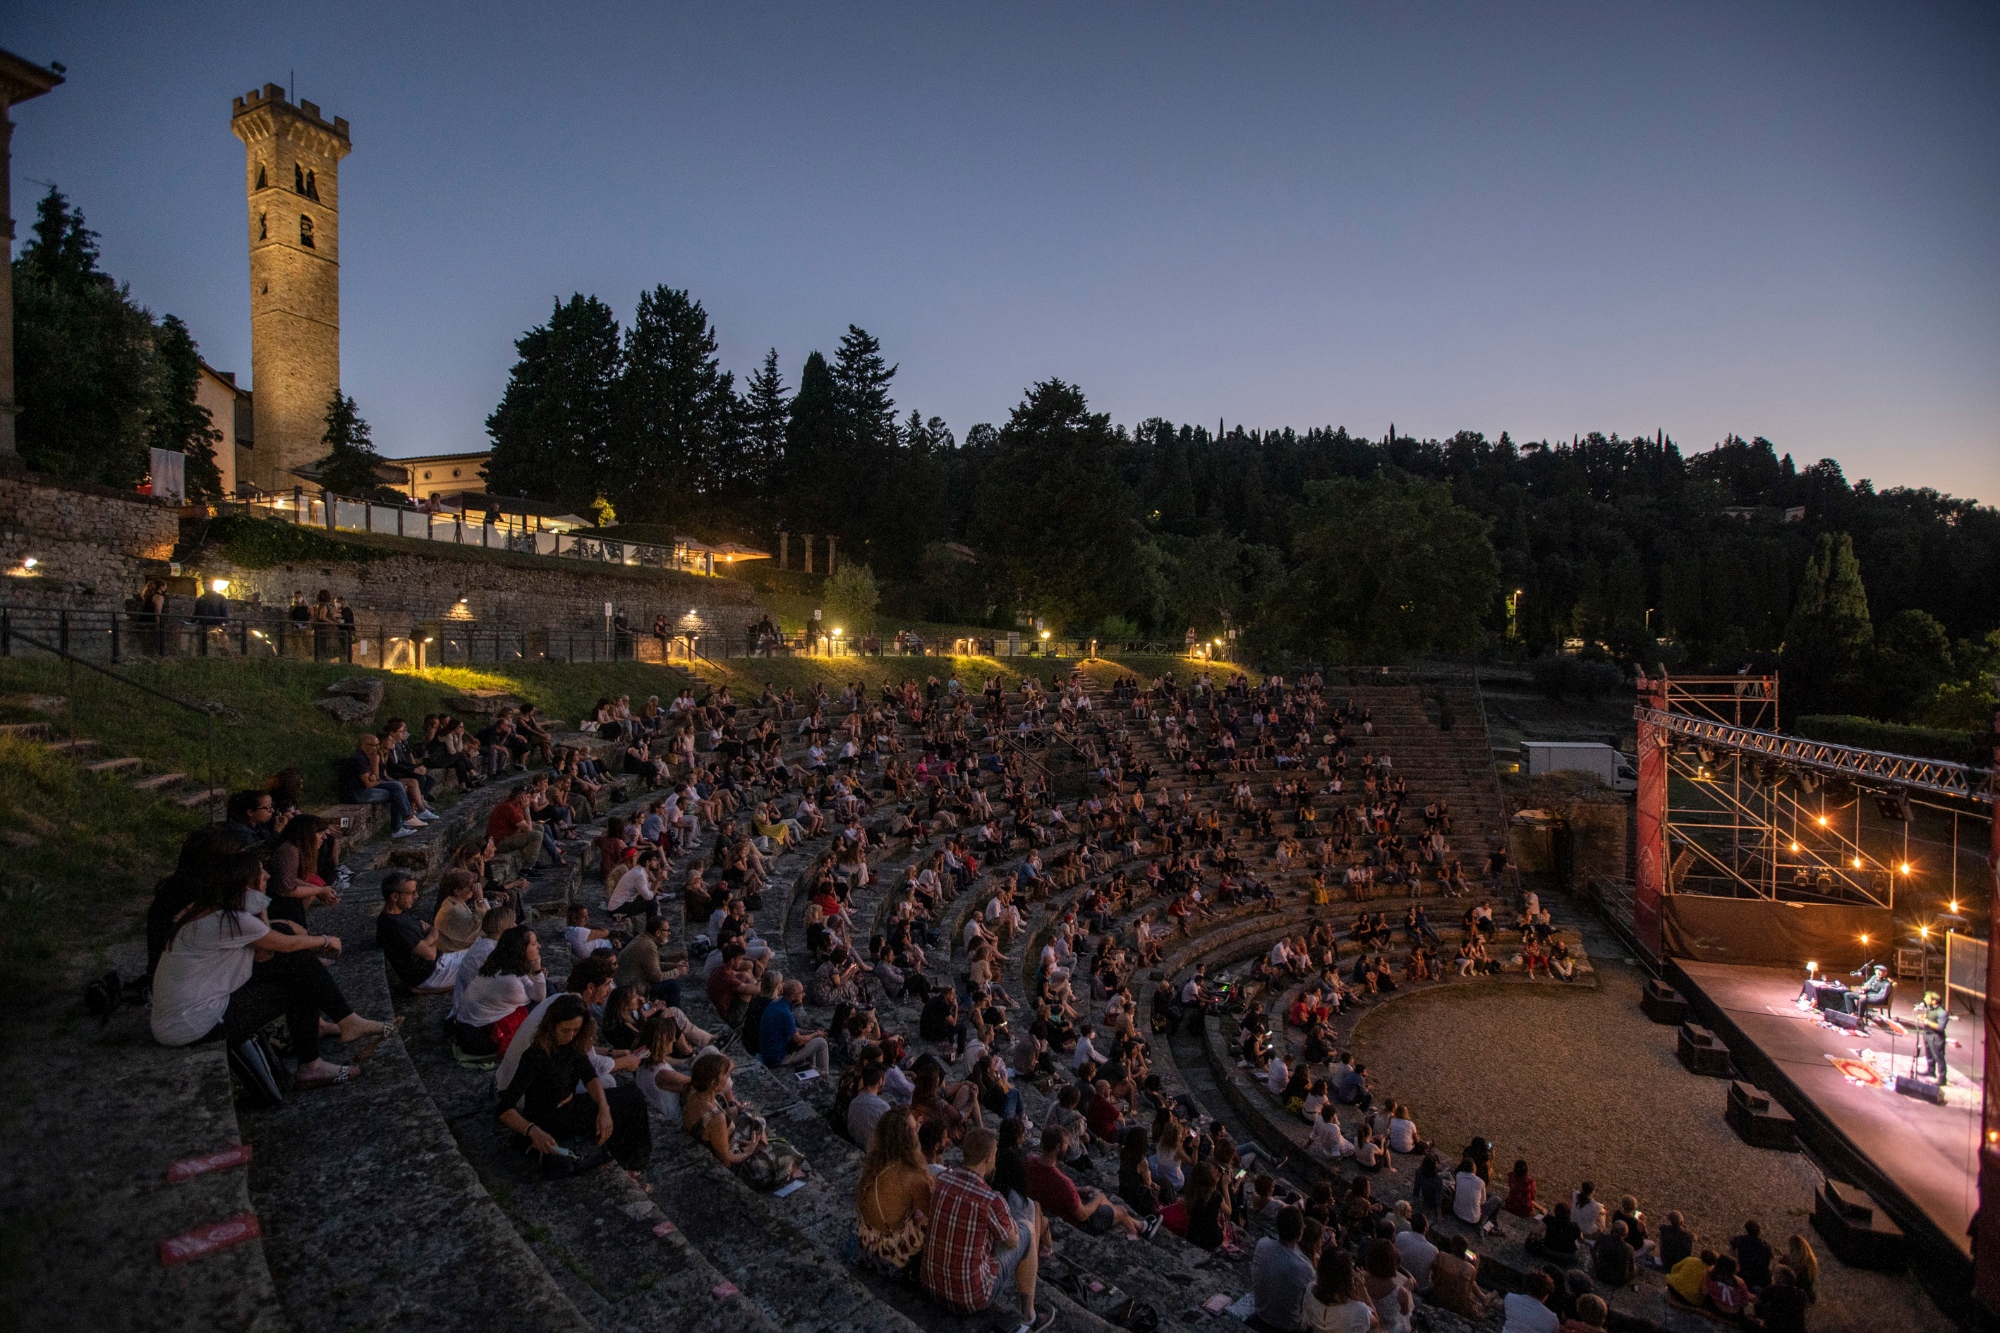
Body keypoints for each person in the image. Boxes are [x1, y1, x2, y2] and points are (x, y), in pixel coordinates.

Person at [149, 851, 386, 1089]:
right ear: (245, 882)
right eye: (261, 873)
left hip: (181, 1016)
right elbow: (286, 945)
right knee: (300, 983)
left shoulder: (208, 909)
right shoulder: (231, 921)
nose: (267, 875)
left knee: (297, 964)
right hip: (193, 1023)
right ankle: (314, 1062)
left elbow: (265, 953)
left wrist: (259, 901)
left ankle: (342, 1025)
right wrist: (325, 940)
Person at [495, 994, 650, 1172]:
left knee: (632, 1097)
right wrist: (532, 1130)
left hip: (571, 1109)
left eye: (576, 1030)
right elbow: (504, 1108)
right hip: (549, 1120)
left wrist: (603, 1108)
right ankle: (633, 1165)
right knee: (630, 1102)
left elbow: (590, 1076)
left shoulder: (572, 1046)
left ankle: (633, 1164)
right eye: (565, 1030)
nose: (570, 1035)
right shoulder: (535, 1056)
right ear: (551, 1026)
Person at [920, 1126, 1053, 1332]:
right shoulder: (991, 1199)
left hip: (930, 1284)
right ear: (989, 1156)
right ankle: (1029, 1316)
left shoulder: (942, 1180)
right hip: (970, 1297)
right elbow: (1013, 1242)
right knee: (1027, 1229)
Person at [1025, 1124, 1152, 1239]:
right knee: (1120, 1210)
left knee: (1110, 1205)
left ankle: (1140, 1226)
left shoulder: (1031, 1160)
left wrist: (1081, 1190)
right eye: (1065, 1144)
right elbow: (1082, 1215)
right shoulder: (1063, 1182)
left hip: (1051, 1208)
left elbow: (1056, 1189)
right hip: (1081, 1224)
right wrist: (1098, 1199)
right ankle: (1135, 1235)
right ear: (1058, 1147)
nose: (1067, 1146)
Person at [856, 1108, 935, 1276]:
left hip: (868, 1241)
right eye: (915, 1129)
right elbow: (933, 1214)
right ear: (907, 1139)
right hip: (890, 1254)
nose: (918, 1131)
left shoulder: (876, 1162)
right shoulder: (912, 1177)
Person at [376, 871, 463, 994]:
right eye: (411, 893)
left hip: (442, 961)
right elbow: (430, 954)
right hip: (433, 973)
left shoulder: (401, 913)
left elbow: (432, 929)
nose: (416, 896)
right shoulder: (394, 926)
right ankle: (422, 991)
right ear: (395, 897)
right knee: (485, 968)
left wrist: (427, 940)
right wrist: (432, 936)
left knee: (488, 950)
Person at [338, 734, 425, 837]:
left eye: (378, 745)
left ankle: (406, 819)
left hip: (362, 789)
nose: (377, 748)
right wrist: (378, 780)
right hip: (357, 793)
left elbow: (375, 777)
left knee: (397, 786)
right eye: (374, 745)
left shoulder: (367, 757)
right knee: (396, 793)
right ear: (365, 745)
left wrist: (375, 764)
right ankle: (403, 823)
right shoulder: (359, 759)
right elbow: (368, 783)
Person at [1250, 1206, 1317, 1332]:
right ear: (1299, 1235)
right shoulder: (1305, 1268)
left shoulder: (1262, 1244)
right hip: (1287, 1327)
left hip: (1261, 1313)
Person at [759, 978, 831, 1076]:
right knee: (821, 1043)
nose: (804, 994)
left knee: (812, 1038)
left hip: (768, 1052)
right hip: (777, 1058)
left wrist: (810, 1032)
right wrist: (816, 1034)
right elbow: (799, 1040)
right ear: (793, 996)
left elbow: (792, 1029)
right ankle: (824, 1074)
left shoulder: (777, 1004)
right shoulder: (785, 1013)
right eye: (801, 993)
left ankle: (813, 1068)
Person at [1299, 1246, 1375, 1332]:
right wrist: (1363, 1290)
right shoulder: (1358, 1310)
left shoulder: (1310, 1291)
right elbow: (1375, 1323)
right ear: (1347, 1276)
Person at [1749, 1265, 1808, 1333]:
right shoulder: (1801, 1293)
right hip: (1797, 1329)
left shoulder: (1773, 1289)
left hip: (1775, 1328)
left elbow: (1756, 1300)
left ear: (1777, 1278)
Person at [1591, 1220, 1637, 1287]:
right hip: (1619, 1281)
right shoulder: (1629, 1248)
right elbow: (1632, 1267)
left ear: (1612, 1229)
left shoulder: (1603, 1238)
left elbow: (1592, 1249)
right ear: (1626, 1234)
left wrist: (1596, 1263)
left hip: (1601, 1275)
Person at [1732, 1219, 1774, 1289]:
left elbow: (1732, 1243)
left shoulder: (1741, 1240)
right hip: (1762, 1277)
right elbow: (1771, 1258)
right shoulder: (1766, 1245)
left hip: (1745, 1274)